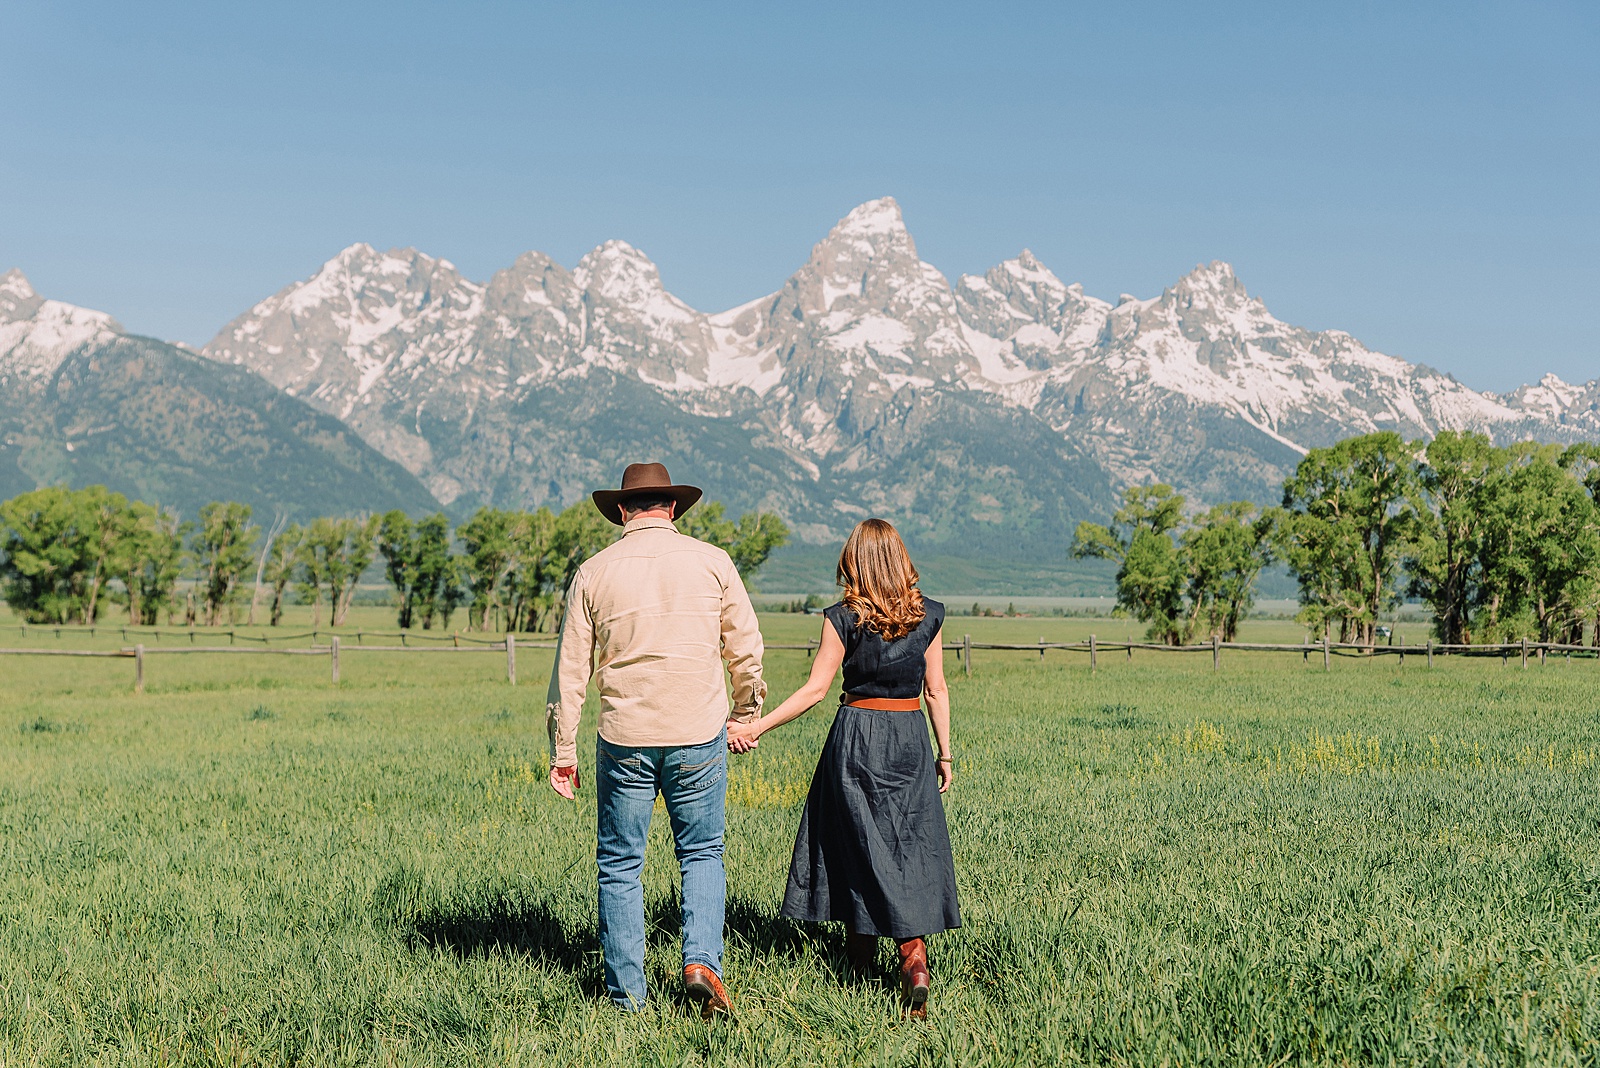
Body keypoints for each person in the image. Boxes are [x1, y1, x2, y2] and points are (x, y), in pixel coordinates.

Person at [546, 462, 766, 1018]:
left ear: (622, 510)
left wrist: (563, 751)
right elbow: (745, 647)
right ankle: (700, 966)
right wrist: (746, 711)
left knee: (621, 864)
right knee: (701, 853)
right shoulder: (713, 562)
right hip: (697, 731)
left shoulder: (593, 572)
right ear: (672, 508)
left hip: (625, 736)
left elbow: (571, 670)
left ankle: (627, 1001)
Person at [727, 518, 958, 1019]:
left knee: (855, 845)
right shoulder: (930, 616)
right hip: (909, 739)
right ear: (900, 559)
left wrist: (756, 727)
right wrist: (945, 754)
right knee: (907, 850)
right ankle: (913, 960)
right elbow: (937, 690)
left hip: (856, 737)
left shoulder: (842, 617)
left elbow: (815, 689)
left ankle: (860, 960)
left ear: (854, 561)